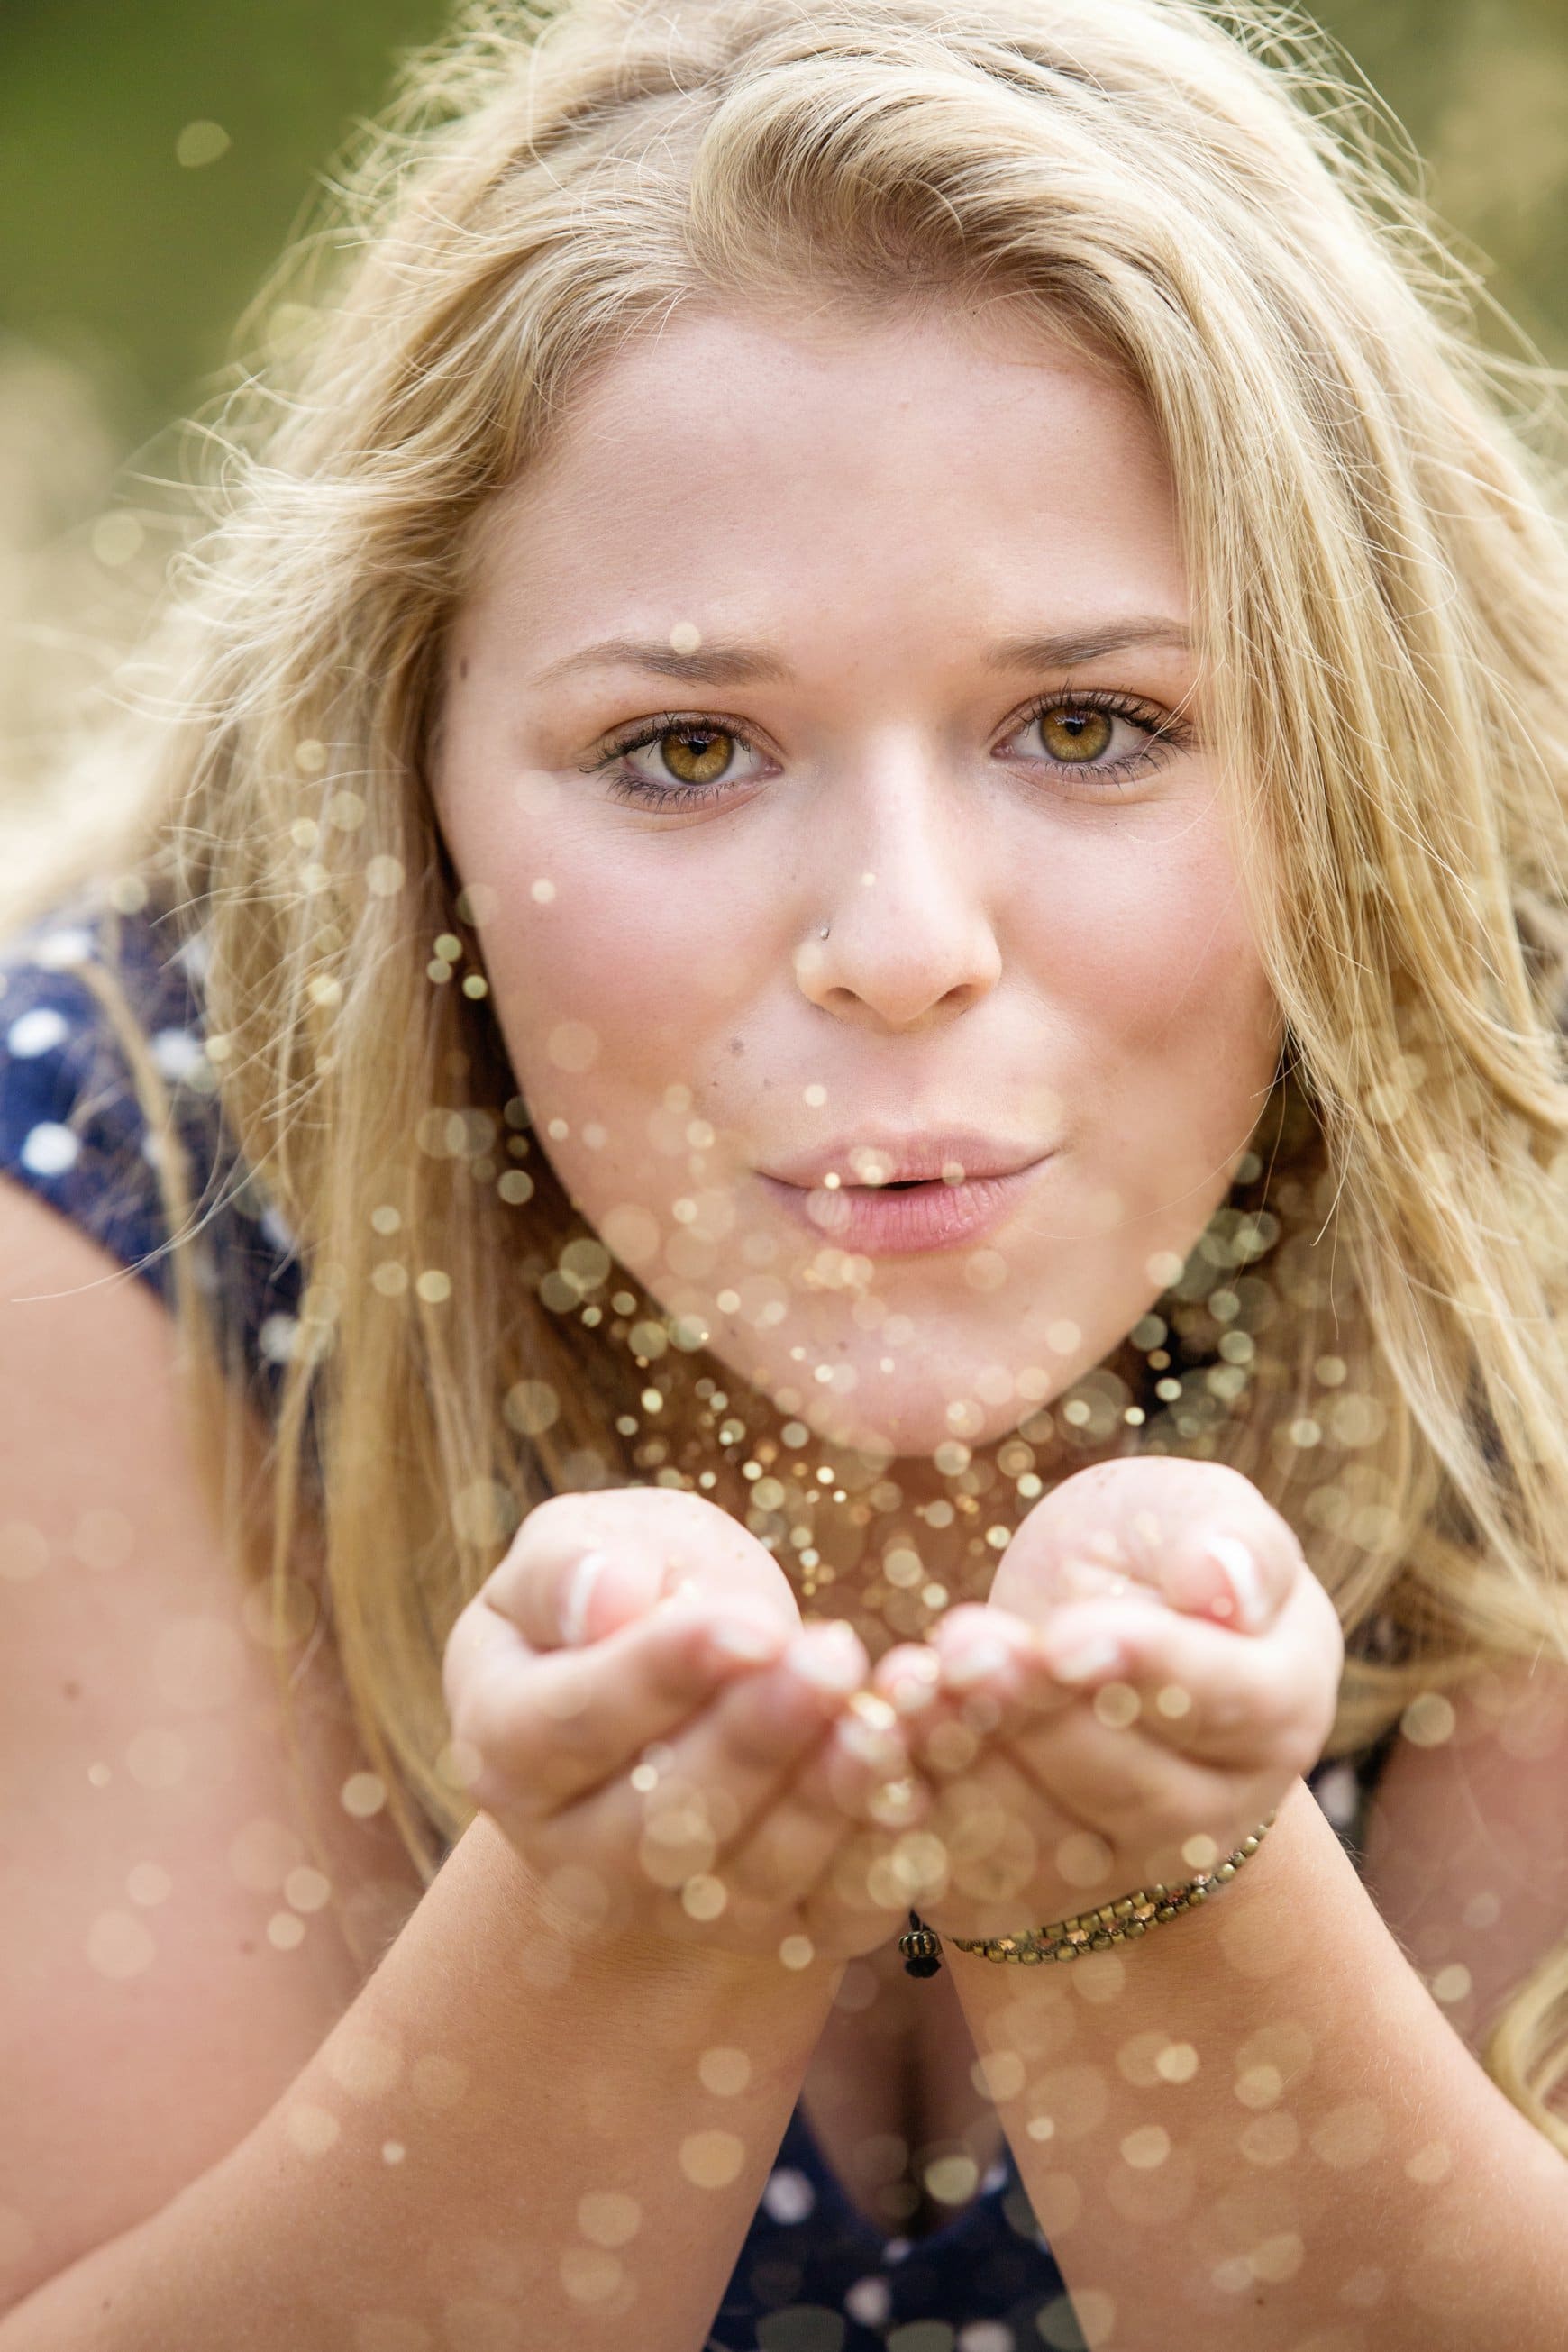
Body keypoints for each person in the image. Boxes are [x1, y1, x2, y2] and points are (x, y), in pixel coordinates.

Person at [3, 0, 1568, 2342]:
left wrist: (1162, 1919)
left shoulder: (1519, 1175)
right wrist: (611, 1947)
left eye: (1090, 725)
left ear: (1347, 746)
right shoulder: (122, 1206)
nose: (902, 944)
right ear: (404, 766)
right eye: (686, 747)